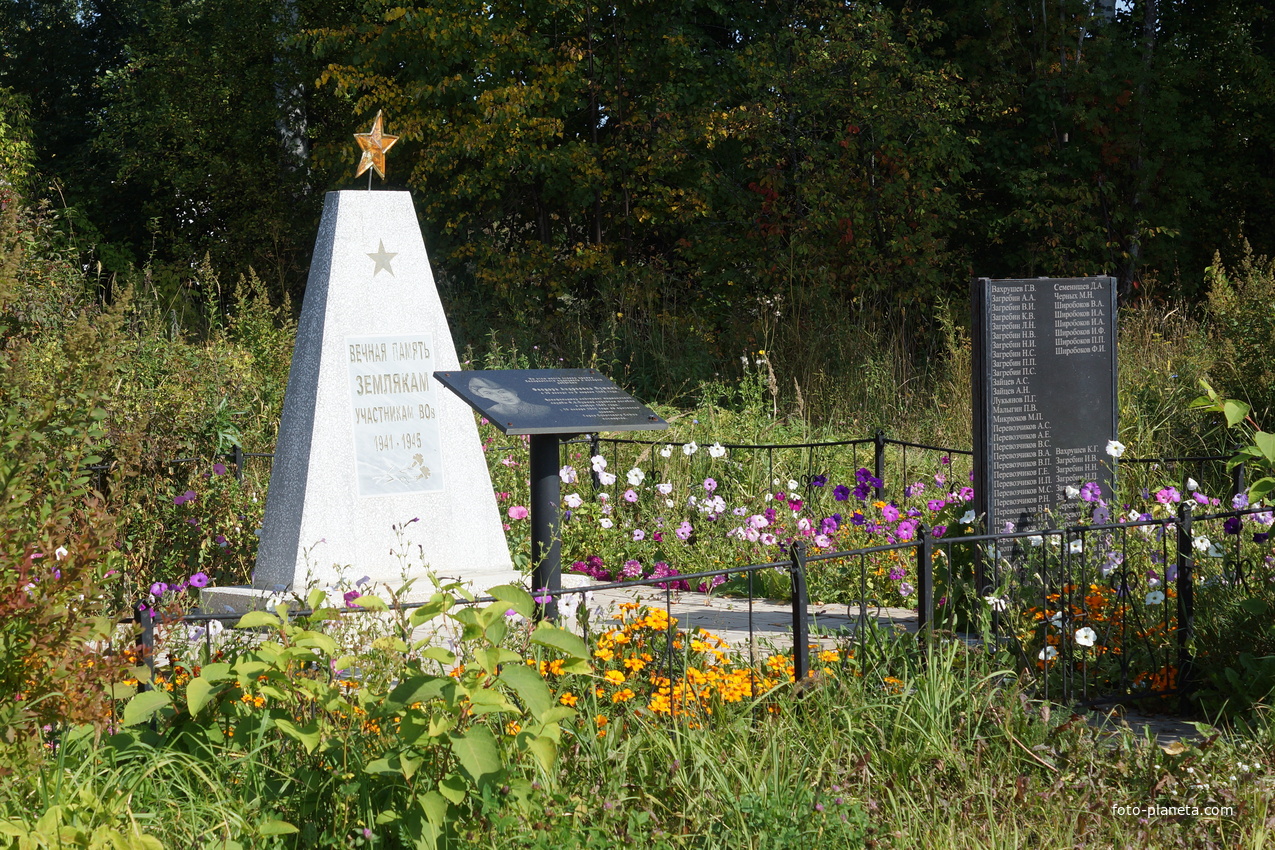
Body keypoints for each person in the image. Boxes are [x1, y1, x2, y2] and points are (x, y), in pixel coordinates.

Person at [468, 376, 551, 418]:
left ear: (513, 390)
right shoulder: (492, 412)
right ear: (485, 397)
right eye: (489, 393)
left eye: (501, 391)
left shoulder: (543, 409)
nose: (500, 396)